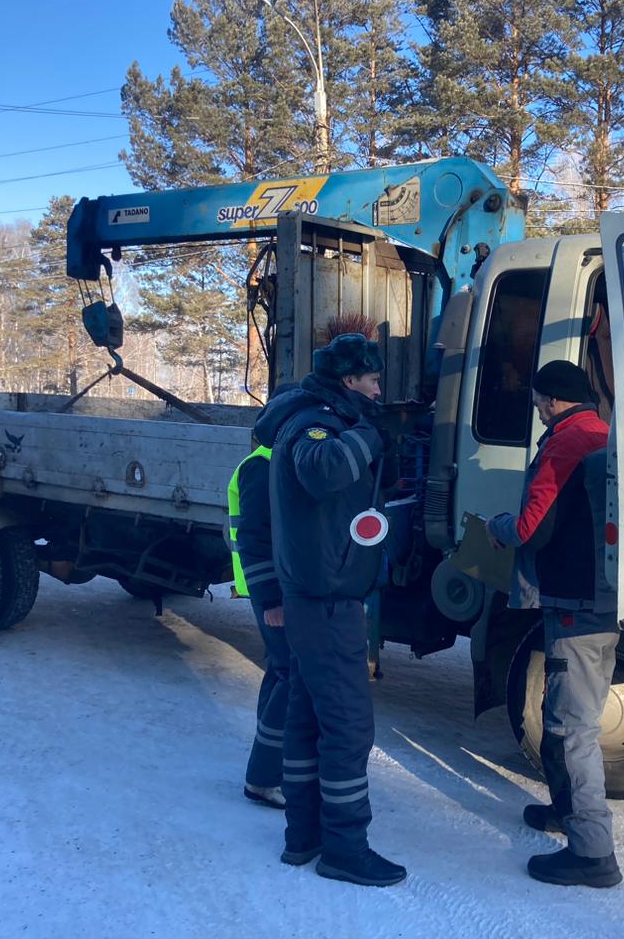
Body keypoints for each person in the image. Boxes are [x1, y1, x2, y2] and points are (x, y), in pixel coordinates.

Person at [253, 333, 406, 888]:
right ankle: (345, 847)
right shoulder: (311, 422)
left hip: (322, 593)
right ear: (349, 381)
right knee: (346, 726)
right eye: (371, 380)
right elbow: (321, 471)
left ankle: (304, 836)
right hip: (324, 599)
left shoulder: (322, 416)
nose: (378, 389)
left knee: (308, 715)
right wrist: (366, 434)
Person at [487, 359, 621, 889]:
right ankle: (565, 812)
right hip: (603, 599)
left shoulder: (564, 442)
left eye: (540, 401)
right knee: (560, 712)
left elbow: (528, 526)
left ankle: (593, 854)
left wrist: (497, 528)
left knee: (571, 730)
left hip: (575, 603)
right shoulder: (601, 432)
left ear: (551, 401)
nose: (538, 410)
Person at [229, 386, 297, 809]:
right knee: (290, 675)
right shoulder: (262, 467)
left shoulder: (277, 463)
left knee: (280, 672)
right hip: (268, 590)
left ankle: (272, 763)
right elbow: (255, 539)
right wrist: (271, 599)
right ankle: (263, 776)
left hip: (273, 588)